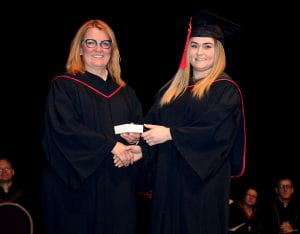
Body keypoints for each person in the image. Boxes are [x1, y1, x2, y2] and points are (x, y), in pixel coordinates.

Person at [139, 11, 246, 234]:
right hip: (167, 182)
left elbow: (216, 132)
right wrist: (136, 142)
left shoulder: (224, 89)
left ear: (218, 51)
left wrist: (170, 134)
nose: (199, 52)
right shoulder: (171, 90)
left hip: (202, 187)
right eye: (194, 45)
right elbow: (150, 126)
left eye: (207, 46)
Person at [42, 19, 143, 234]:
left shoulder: (126, 93)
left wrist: (135, 141)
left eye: (105, 43)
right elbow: (65, 129)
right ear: (80, 47)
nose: (99, 49)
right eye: (91, 42)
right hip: (79, 189)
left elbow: (139, 126)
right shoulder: (65, 85)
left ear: (112, 49)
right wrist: (112, 146)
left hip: (119, 185)